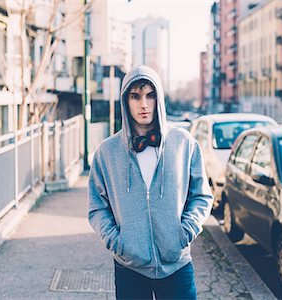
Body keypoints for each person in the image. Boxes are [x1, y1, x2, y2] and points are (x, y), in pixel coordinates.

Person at [88, 65, 213, 299]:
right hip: (129, 267)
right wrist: (117, 242)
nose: (143, 104)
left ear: (159, 98)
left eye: (150, 95)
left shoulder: (183, 143)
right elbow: (97, 207)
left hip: (177, 265)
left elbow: (201, 196)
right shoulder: (107, 152)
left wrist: (185, 232)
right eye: (135, 96)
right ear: (126, 101)